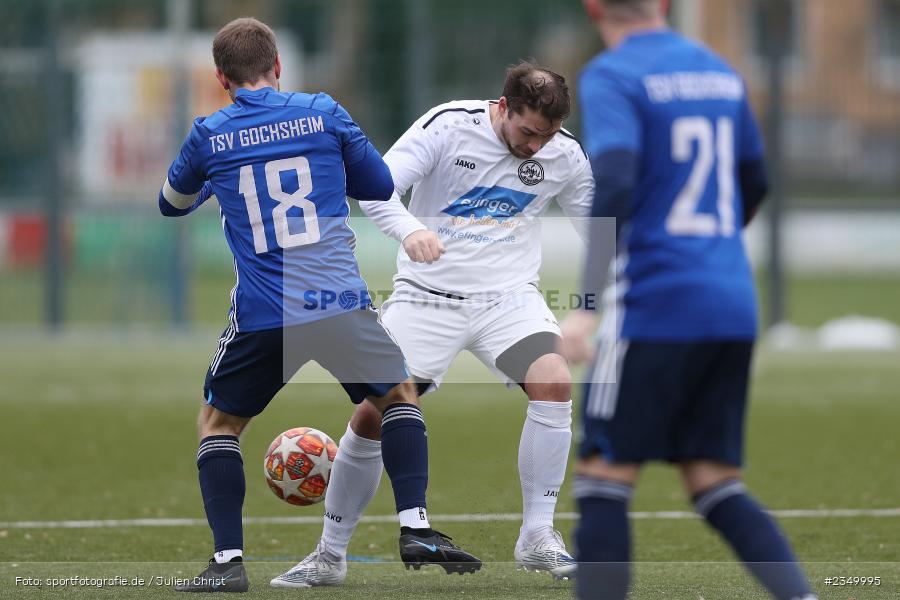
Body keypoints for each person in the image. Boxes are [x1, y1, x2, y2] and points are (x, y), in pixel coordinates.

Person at [159, 17, 480, 593]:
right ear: (277, 66)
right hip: (337, 301)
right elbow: (380, 183)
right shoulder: (324, 112)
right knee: (397, 396)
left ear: (220, 79)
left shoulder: (209, 133)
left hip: (264, 311)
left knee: (219, 425)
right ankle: (416, 527)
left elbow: (170, 203)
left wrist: (219, 179)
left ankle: (228, 565)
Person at [272, 62, 594, 587]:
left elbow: (598, 228)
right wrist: (411, 231)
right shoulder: (447, 125)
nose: (536, 146)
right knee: (374, 414)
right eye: (528, 132)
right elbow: (376, 188)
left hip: (508, 301)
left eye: (547, 135)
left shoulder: (565, 154)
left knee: (553, 379)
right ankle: (329, 556)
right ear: (504, 107)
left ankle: (538, 537)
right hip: (427, 298)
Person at [559, 1, 818, 599]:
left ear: (594, 6)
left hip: (655, 306)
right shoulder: (720, 72)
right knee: (712, 481)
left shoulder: (613, 74)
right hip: (730, 303)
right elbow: (754, 181)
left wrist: (586, 305)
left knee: (604, 477)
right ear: (667, 4)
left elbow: (618, 180)